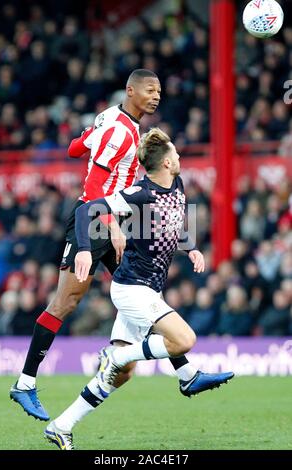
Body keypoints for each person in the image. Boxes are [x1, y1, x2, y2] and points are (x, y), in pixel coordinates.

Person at [10, 69, 203, 421]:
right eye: (149, 89)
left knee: (142, 288)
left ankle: (187, 374)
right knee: (67, 300)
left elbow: (73, 149)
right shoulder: (120, 131)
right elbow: (95, 185)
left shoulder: (111, 120)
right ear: (131, 90)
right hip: (97, 220)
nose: (156, 95)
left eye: (159, 90)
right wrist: (111, 225)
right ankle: (24, 383)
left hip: (113, 218)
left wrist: (92, 135)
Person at [44, 128, 234, 450]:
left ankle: (61, 425)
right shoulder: (139, 193)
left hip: (148, 289)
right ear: (165, 164)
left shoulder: (177, 184)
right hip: (132, 289)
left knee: (121, 375)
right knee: (184, 340)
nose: (179, 157)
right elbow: (86, 210)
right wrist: (86, 250)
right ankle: (139, 363)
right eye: (174, 154)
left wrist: (191, 249)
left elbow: (175, 222)